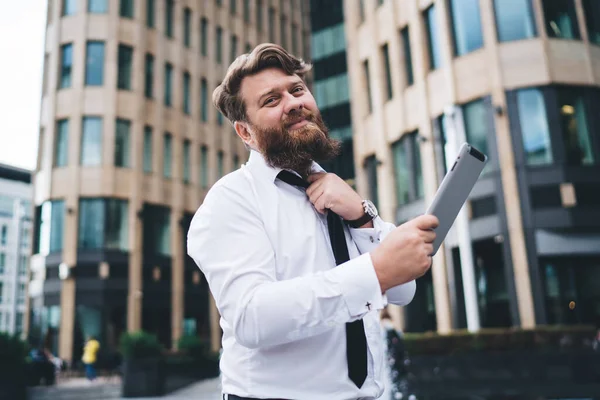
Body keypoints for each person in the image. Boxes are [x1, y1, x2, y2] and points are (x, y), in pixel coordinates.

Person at [187, 43, 439, 400]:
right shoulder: (231, 200)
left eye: (297, 89)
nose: (293, 103)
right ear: (245, 133)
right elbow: (251, 318)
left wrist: (362, 216)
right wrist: (374, 272)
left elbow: (402, 290)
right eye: (271, 101)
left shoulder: (339, 192)